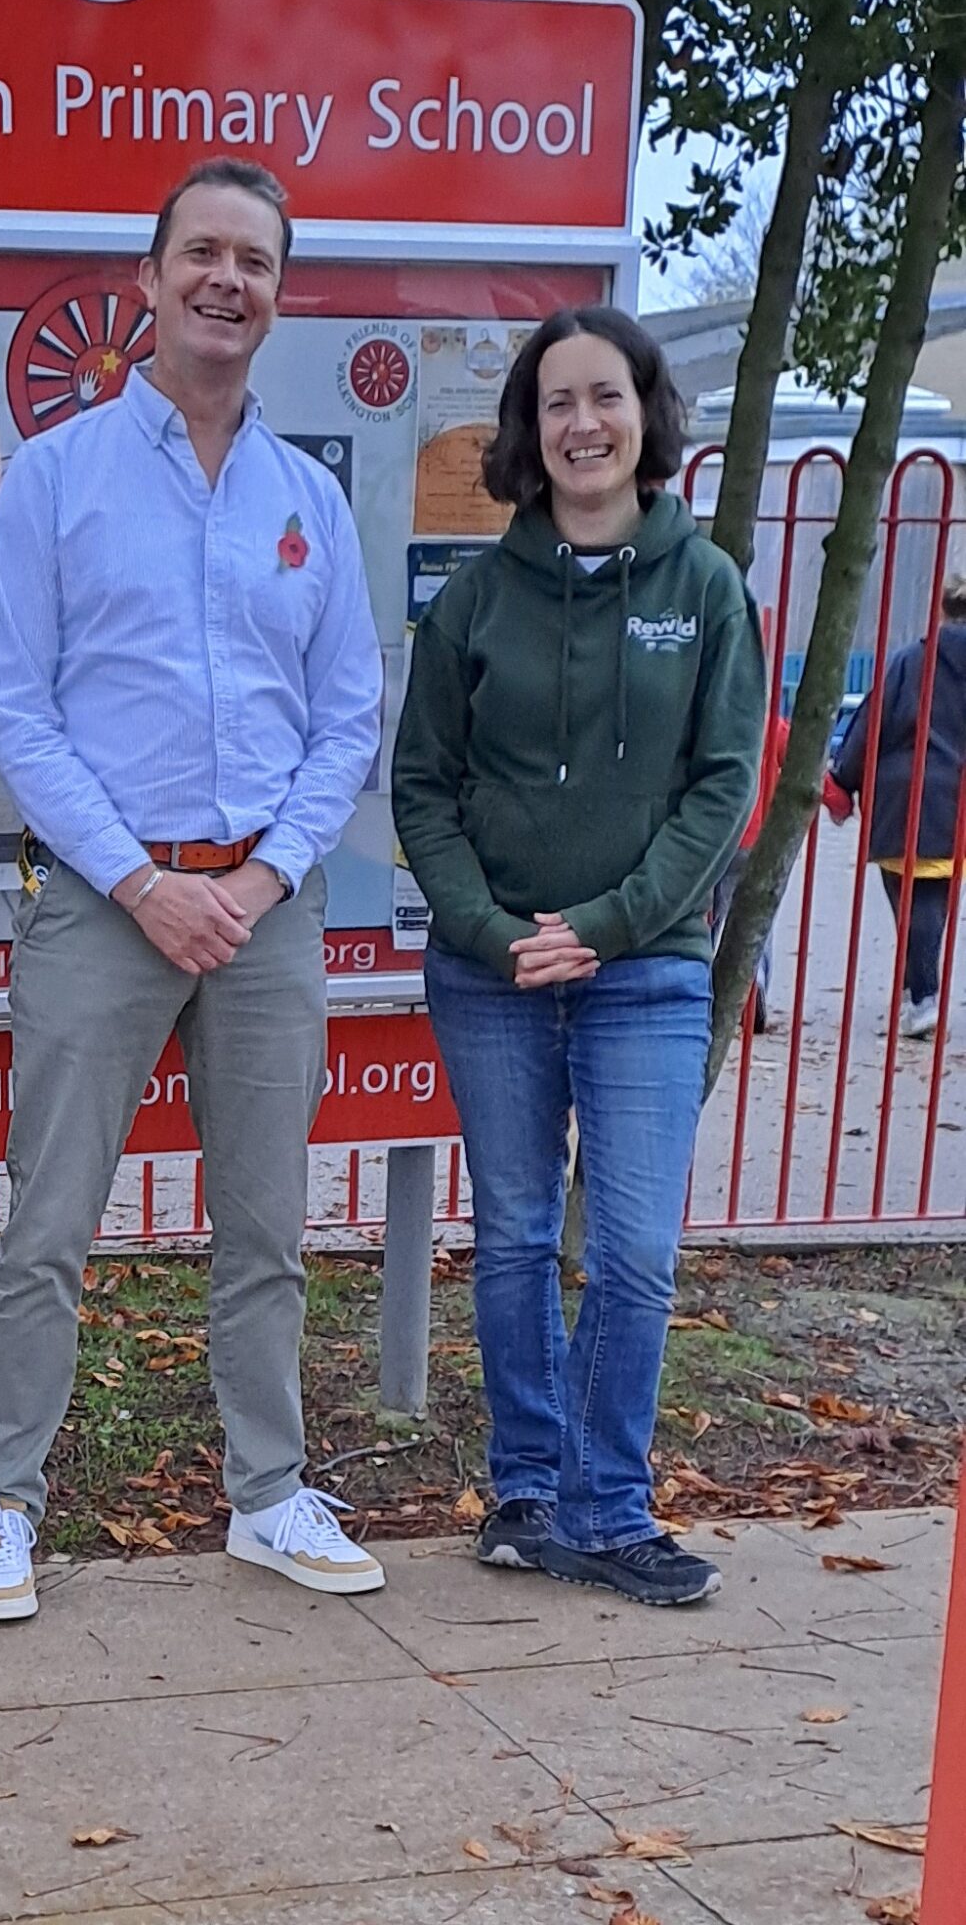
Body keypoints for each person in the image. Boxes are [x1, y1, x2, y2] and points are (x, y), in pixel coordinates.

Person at [0, 158, 384, 1621]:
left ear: (275, 294)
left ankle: (267, 1493)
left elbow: (345, 717)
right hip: (101, 902)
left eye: (251, 260)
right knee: (47, 1221)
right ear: (144, 284)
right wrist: (141, 883)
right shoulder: (58, 475)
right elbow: (17, 708)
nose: (225, 280)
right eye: (198, 252)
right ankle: (1, 1503)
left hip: (263, 914)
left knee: (264, 1227)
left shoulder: (305, 498)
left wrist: (259, 879)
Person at [392, 306, 764, 1609]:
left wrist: (600, 926)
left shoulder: (706, 585)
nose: (582, 423)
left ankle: (610, 1511)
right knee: (511, 1240)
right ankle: (527, 1497)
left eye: (603, 396)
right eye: (556, 402)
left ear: (644, 413)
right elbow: (422, 788)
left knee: (634, 1254)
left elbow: (721, 787)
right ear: (528, 429)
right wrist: (493, 932)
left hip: (647, 970)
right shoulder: (479, 597)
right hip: (488, 976)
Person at [829, 572, 966, 1041]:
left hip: (903, 795)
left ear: (944, 608)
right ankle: (919, 994)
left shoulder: (913, 660)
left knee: (912, 900)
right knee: (936, 897)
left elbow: (872, 721)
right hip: (958, 798)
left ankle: (923, 996)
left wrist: (842, 782)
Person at [712, 711, 789, 1033]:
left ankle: (703, 988)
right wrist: (837, 799)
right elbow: (806, 766)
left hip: (713, 837)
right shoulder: (772, 725)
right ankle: (750, 980)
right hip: (757, 837)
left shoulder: (711, 720)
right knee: (756, 914)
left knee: (708, 916)